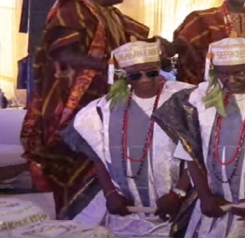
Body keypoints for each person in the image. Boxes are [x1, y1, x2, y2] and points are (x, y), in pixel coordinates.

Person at [20, 0, 152, 214]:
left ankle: (102, 216)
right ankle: (71, 216)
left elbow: (133, 43)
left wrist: (155, 47)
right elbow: (61, 53)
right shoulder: (72, 9)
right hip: (71, 104)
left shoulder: (112, 14)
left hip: (107, 102)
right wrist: (108, 67)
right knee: (75, 157)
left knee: (108, 157)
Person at [153, 38, 245, 238]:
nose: (231, 81)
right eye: (223, 74)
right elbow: (191, 152)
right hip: (213, 207)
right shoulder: (200, 98)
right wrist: (205, 196)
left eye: (240, 72)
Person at [59, 41, 193, 236]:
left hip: (178, 206)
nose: (145, 80)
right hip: (124, 207)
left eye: (152, 72)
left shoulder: (185, 99)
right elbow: (98, 155)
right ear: (122, 75)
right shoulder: (103, 109)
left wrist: (178, 193)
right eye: (135, 75)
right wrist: (110, 194)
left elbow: (198, 153)